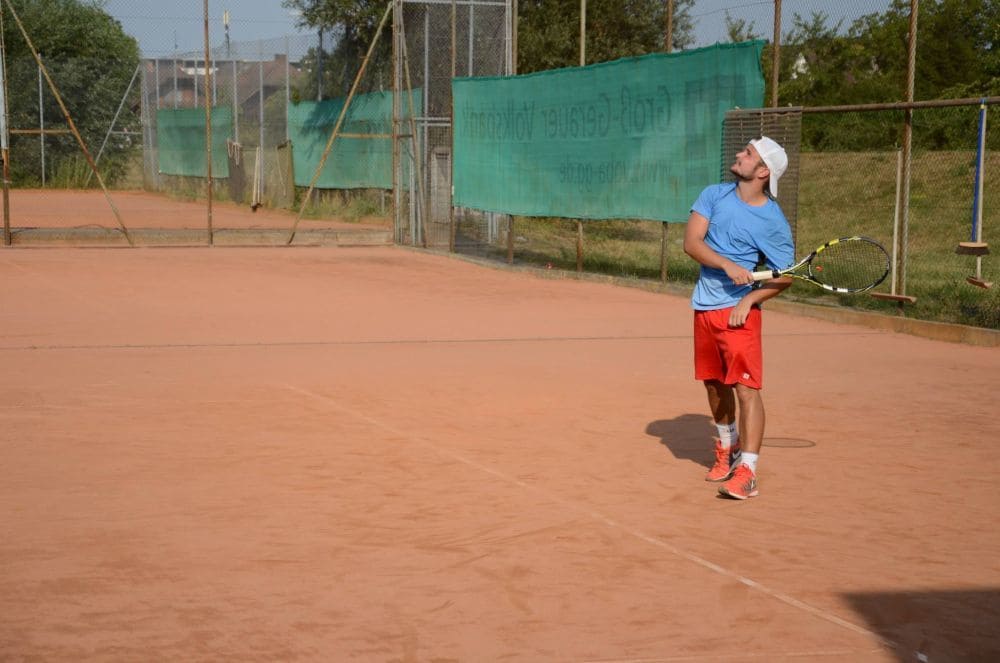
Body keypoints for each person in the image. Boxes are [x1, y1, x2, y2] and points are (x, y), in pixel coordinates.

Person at [682, 136, 795, 500]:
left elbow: (785, 275)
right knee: (714, 385)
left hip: (739, 315)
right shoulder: (714, 195)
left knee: (746, 390)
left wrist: (750, 299)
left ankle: (748, 471)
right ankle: (727, 448)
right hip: (705, 307)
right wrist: (728, 264)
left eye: (748, 154)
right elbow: (692, 242)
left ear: (762, 171)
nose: (739, 155)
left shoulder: (772, 222)